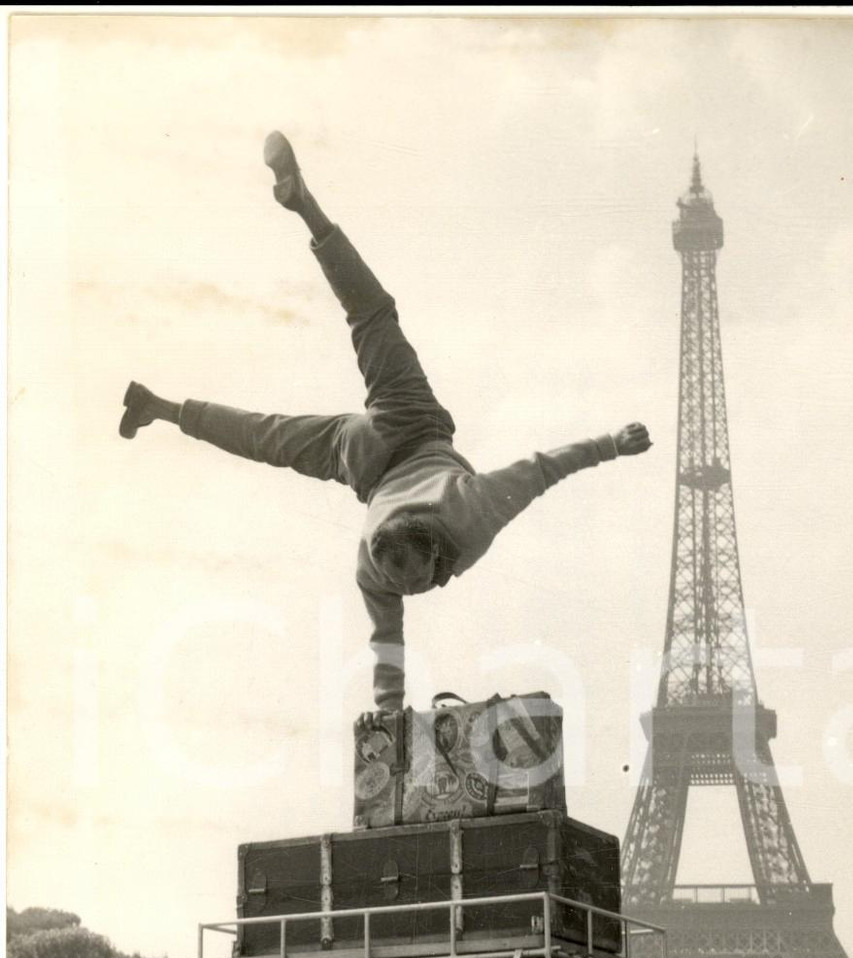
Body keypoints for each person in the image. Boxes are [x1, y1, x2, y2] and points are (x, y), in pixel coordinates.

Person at [119, 132, 653, 714]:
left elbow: (543, 470)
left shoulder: (447, 527)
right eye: (412, 584)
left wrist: (611, 446)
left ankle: (168, 401)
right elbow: (388, 634)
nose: (409, 593)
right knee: (272, 429)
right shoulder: (444, 528)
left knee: (357, 328)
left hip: (386, 442)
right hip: (381, 447)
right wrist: (610, 445)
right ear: (426, 549)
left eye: (408, 585)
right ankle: (164, 404)